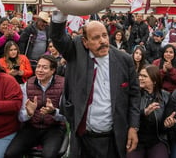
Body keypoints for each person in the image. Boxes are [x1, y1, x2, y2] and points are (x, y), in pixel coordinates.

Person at [50, 11, 140, 158]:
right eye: (96, 38)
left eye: (104, 35)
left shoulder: (124, 60)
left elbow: (135, 96)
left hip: (113, 138)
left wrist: (133, 127)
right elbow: (57, 37)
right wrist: (62, 11)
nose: (103, 41)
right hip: (82, 136)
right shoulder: (75, 52)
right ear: (85, 42)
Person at [4, 55, 67, 158]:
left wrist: (53, 112)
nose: (40, 70)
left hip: (54, 128)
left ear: (53, 70)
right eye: (38, 67)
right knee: (10, 154)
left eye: (44, 67)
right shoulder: (28, 85)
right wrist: (29, 113)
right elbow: (21, 116)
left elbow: (67, 116)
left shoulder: (63, 84)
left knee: (49, 156)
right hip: (32, 127)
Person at [127, 65, 176, 158]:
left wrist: (167, 125)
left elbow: (163, 128)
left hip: (157, 140)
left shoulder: (166, 96)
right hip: (136, 138)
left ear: (154, 80)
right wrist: (144, 112)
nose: (140, 78)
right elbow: (126, 118)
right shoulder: (133, 94)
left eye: (144, 76)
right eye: (140, 75)